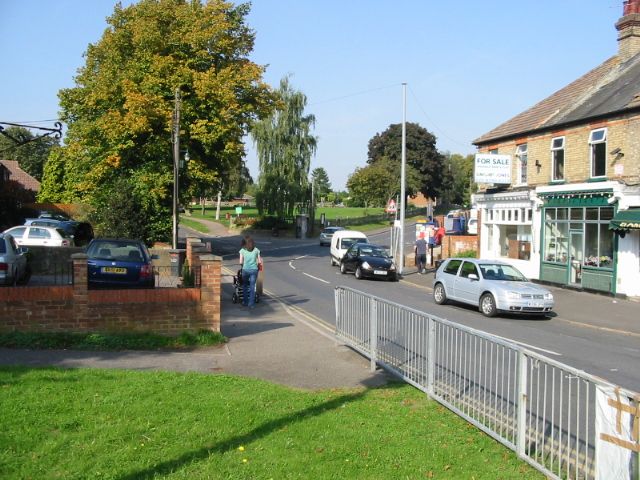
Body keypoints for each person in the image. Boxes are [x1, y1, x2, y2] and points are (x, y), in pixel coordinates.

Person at [239, 236, 262, 308]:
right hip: (254, 270)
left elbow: (240, 262)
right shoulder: (256, 250)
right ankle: (251, 304)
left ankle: (245, 302)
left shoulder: (242, 250)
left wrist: (243, 266)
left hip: (245, 270)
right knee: (252, 287)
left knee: (245, 285)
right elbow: (259, 261)